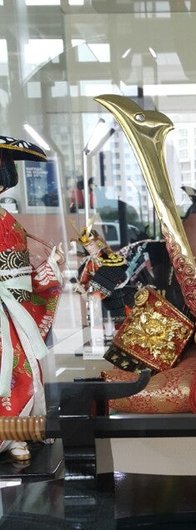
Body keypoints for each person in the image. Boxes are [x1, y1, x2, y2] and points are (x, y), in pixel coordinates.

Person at [0, 136, 63, 461]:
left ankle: (14, 433)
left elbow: (17, 273)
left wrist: (44, 268)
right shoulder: (5, 220)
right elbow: (17, 279)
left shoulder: (6, 220)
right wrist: (46, 273)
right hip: (7, 306)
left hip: (7, 305)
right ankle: (14, 435)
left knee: (15, 367)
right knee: (14, 366)